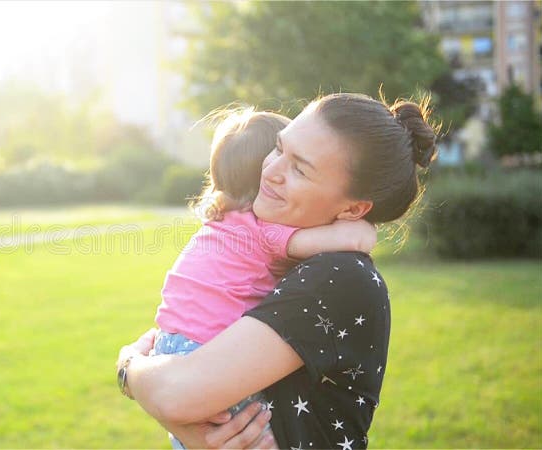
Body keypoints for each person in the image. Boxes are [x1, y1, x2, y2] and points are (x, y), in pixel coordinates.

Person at [117, 93, 437, 449]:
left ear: (353, 208)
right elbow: (181, 400)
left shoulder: (339, 277)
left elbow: (177, 395)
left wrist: (130, 365)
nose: (270, 171)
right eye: (278, 149)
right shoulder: (293, 252)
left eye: (299, 168)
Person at [151, 108, 377, 449]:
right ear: (263, 176)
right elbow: (356, 241)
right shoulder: (265, 232)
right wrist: (359, 223)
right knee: (252, 438)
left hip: (167, 346)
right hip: (203, 350)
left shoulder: (222, 222)